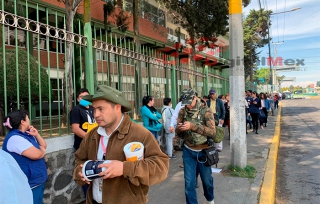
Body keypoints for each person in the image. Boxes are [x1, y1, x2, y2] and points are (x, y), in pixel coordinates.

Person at [73, 85, 169, 204]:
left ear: (117, 107)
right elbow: (79, 159)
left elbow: (161, 168)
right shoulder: (92, 135)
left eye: (101, 109)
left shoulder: (140, 134)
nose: (95, 114)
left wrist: (125, 168)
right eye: (94, 109)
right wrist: (80, 172)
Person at [176, 88, 216, 204]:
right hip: (188, 151)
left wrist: (192, 126)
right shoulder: (182, 112)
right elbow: (178, 133)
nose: (187, 106)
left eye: (189, 102)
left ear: (195, 98)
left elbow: (212, 132)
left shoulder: (206, 110)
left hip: (203, 151)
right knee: (189, 183)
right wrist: (179, 128)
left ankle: (210, 199)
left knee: (207, 181)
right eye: (185, 103)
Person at [2, 110, 48, 204]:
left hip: (37, 180)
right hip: (29, 183)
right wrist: (42, 150)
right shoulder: (15, 138)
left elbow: (43, 145)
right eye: (28, 118)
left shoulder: (27, 133)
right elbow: (37, 155)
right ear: (23, 121)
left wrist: (37, 135)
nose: (29, 120)